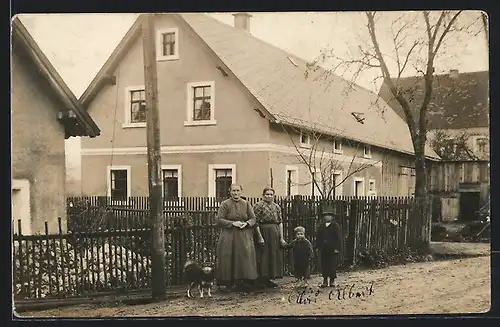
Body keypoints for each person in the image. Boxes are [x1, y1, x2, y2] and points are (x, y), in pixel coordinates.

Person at [215, 184, 263, 292]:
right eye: (233, 191)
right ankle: (228, 282)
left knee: (244, 257)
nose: (235, 193)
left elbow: (253, 218)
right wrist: (233, 223)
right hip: (229, 235)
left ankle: (243, 281)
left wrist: (247, 224)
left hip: (244, 235)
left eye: (237, 191)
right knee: (229, 256)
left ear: (241, 191)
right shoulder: (225, 204)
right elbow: (219, 219)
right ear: (230, 192)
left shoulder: (246, 204)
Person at [253, 187, 287, 288]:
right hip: (264, 231)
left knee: (273, 255)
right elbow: (256, 222)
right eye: (267, 194)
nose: (269, 196)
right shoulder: (258, 206)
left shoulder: (276, 206)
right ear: (263, 195)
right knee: (263, 255)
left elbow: (280, 222)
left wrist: (281, 237)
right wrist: (260, 237)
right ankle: (261, 279)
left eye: (271, 194)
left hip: (274, 233)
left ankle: (269, 278)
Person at [315, 205, 342, 288]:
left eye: (329, 215)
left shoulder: (335, 226)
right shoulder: (321, 226)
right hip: (324, 249)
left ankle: (332, 280)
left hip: (332, 249)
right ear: (323, 217)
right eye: (326, 215)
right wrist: (318, 246)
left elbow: (338, 238)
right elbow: (318, 237)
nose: (327, 217)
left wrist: (337, 248)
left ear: (332, 217)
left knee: (332, 265)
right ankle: (325, 280)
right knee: (324, 264)